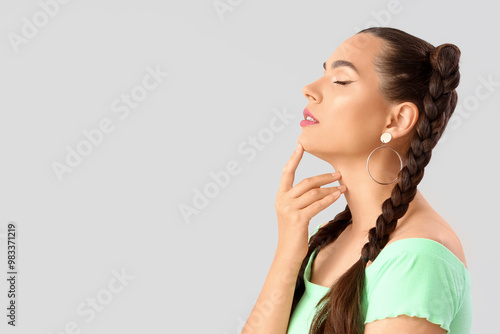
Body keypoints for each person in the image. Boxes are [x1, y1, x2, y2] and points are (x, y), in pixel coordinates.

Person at [241, 27, 472, 334]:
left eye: (341, 81)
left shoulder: (417, 258)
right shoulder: (330, 239)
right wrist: (287, 253)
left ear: (398, 120)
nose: (309, 89)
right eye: (323, 74)